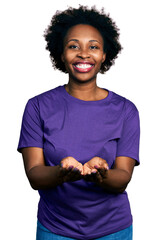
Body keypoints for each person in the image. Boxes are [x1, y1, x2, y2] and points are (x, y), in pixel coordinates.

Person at [17, 5, 140, 240]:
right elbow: (34, 174)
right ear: (61, 54)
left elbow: (123, 177)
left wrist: (101, 173)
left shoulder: (126, 110)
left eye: (93, 47)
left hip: (113, 229)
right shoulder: (37, 106)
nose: (84, 54)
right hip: (55, 229)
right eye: (74, 46)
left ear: (104, 55)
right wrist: (62, 173)